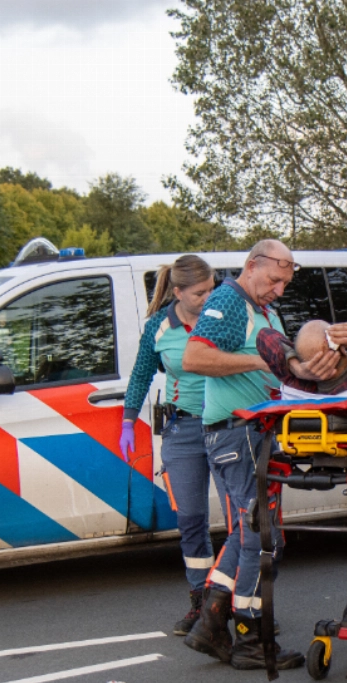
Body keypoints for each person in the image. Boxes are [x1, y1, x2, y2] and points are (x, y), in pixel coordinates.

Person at [180, 239, 306, 671]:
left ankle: (212, 621)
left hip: (251, 433)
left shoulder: (263, 309)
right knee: (260, 535)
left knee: (246, 531)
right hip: (238, 435)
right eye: (274, 280)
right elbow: (194, 358)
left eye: (286, 283)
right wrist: (257, 362)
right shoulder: (231, 301)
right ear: (252, 266)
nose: (279, 290)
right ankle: (252, 634)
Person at [119, 255, 217, 635]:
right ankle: (201, 602)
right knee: (192, 521)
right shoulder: (160, 326)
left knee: (244, 521)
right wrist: (128, 420)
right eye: (200, 292)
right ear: (177, 292)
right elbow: (142, 373)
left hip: (228, 425)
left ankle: (241, 604)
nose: (209, 297)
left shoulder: (222, 317)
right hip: (184, 429)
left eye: (212, 288)